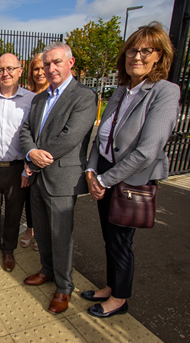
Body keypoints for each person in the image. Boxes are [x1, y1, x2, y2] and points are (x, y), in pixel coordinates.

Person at [82, 22, 180, 318]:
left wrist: (104, 179)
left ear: (159, 56)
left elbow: (148, 150)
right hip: (106, 172)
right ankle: (112, 286)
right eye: (132, 51)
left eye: (145, 50)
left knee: (121, 241)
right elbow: (101, 136)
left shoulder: (165, 92)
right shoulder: (121, 91)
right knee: (109, 238)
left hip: (130, 179)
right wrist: (90, 170)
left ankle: (120, 299)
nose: (137, 56)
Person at [19, 42, 97, 314]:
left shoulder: (84, 96)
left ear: (70, 63)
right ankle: (47, 271)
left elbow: (70, 138)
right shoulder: (39, 98)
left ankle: (64, 287)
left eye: (56, 62)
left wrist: (35, 161)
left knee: (61, 236)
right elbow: (26, 130)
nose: (51, 68)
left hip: (62, 179)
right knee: (42, 231)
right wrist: (30, 151)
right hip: (39, 178)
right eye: (47, 63)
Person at [0, 53, 35, 272]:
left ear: (20, 71)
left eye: (11, 68)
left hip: (17, 167)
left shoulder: (30, 100)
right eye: (1, 69)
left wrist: (28, 168)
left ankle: (9, 249)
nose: (5, 73)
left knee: (13, 211)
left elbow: (33, 135)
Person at [20, 53, 49, 251]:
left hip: (49, 157)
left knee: (45, 198)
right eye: (35, 69)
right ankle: (30, 228)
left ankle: (42, 232)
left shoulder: (53, 94)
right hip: (29, 156)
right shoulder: (29, 95)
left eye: (42, 68)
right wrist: (27, 158)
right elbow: (24, 128)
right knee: (29, 197)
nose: (39, 73)